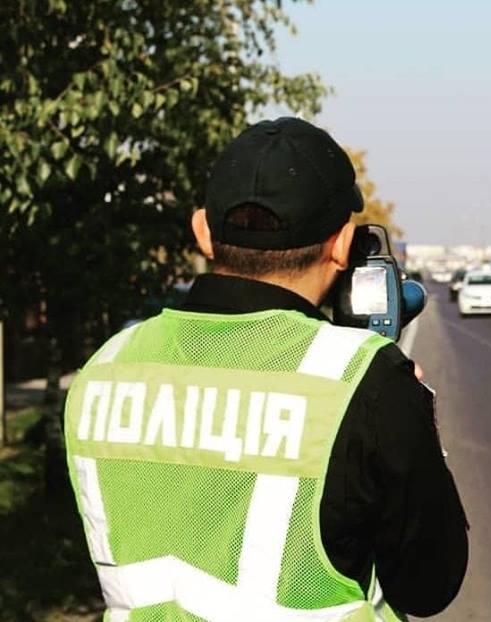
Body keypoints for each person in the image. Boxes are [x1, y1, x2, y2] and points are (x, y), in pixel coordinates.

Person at [62, 117, 468, 621]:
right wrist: (412, 415)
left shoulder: (105, 367)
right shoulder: (364, 382)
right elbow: (428, 587)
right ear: (342, 244)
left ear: (203, 232)